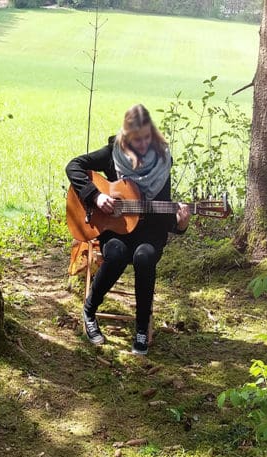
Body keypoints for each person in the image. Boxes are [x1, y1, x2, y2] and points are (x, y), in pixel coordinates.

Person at [65, 104, 190, 354]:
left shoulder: (163, 161)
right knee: (116, 254)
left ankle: (142, 328)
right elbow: (73, 166)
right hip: (115, 228)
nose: (142, 144)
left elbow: (162, 209)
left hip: (150, 231)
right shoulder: (113, 154)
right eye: (136, 139)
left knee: (144, 257)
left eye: (146, 138)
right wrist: (96, 197)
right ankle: (89, 310)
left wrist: (180, 224)